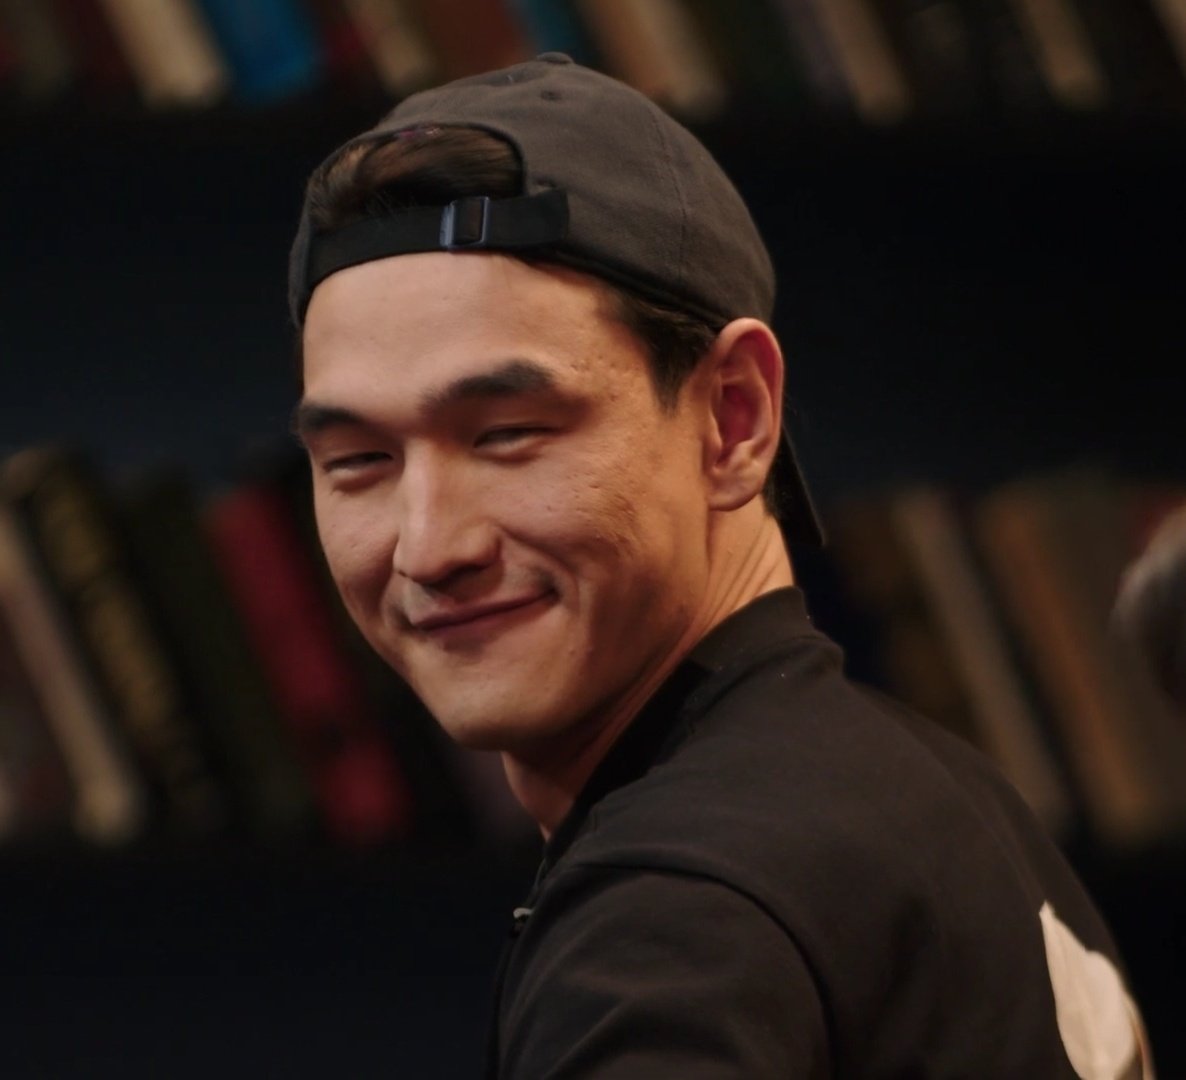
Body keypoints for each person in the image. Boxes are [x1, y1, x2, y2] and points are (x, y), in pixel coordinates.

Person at [286, 53, 1152, 1078]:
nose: (430, 547)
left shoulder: (675, 929)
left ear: (734, 418)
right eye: (358, 462)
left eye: (510, 433)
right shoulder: (937, 799)